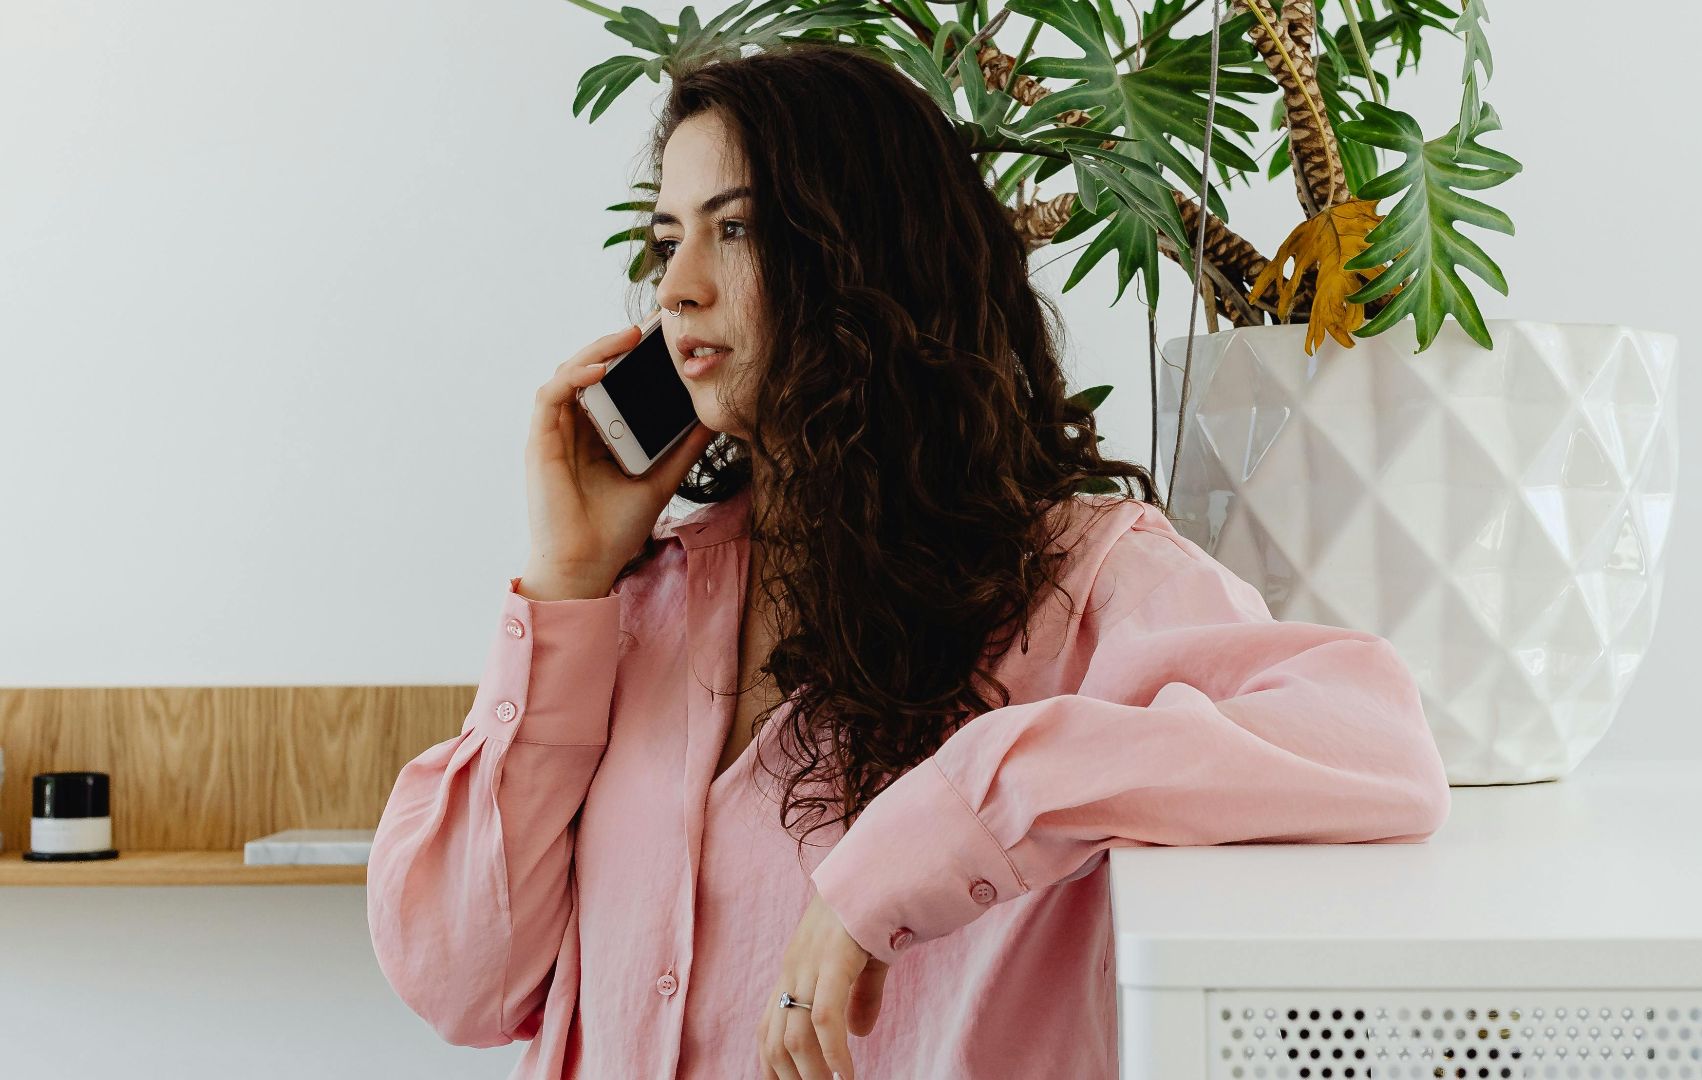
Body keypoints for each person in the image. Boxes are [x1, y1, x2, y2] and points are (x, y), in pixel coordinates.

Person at [366, 39, 1451, 1080]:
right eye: (667, 240)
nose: (678, 289)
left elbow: (1378, 744)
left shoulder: (1082, 583)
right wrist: (566, 584)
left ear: (870, 255)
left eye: (735, 231)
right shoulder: (631, 608)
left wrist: (930, 835)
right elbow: (459, 980)